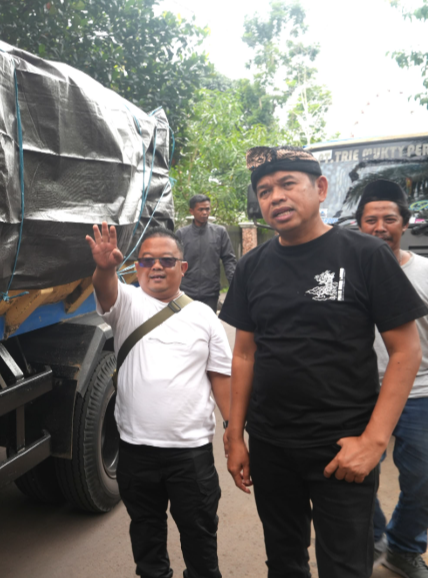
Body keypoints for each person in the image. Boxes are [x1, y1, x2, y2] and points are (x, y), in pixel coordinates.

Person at [219, 146, 427, 578]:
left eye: (287, 184)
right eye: (264, 190)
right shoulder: (252, 267)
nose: (275, 197)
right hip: (272, 446)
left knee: (345, 566)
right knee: (284, 560)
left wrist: (373, 442)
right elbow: (244, 353)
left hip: (342, 449)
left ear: (321, 188)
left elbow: (406, 350)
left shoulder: (364, 254)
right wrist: (235, 434)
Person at [86, 223, 232, 579]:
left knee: (200, 540)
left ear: (183, 268)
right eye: (147, 260)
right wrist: (104, 268)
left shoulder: (203, 317)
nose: (156, 266)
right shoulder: (127, 302)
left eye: (167, 260)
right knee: (147, 540)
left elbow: (221, 378)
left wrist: (233, 429)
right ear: (136, 268)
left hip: (191, 455)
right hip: (137, 452)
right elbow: (105, 290)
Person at [357, 179, 428, 579]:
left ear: (404, 223)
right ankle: (372, 539)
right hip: (362, 393)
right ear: (359, 225)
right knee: (355, 476)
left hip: (420, 392)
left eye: (389, 219)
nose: (380, 227)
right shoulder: (347, 275)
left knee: (424, 480)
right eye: (371, 220)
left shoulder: (425, 272)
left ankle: (403, 547)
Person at [176, 195, 237, 312]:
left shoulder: (220, 232)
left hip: (210, 293)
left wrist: (235, 284)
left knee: (208, 323)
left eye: (207, 209)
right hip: (186, 292)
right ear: (191, 211)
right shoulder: (181, 234)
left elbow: (229, 260)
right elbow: (174, 262)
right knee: (187, 323)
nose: (205, 212)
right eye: (201, 209)